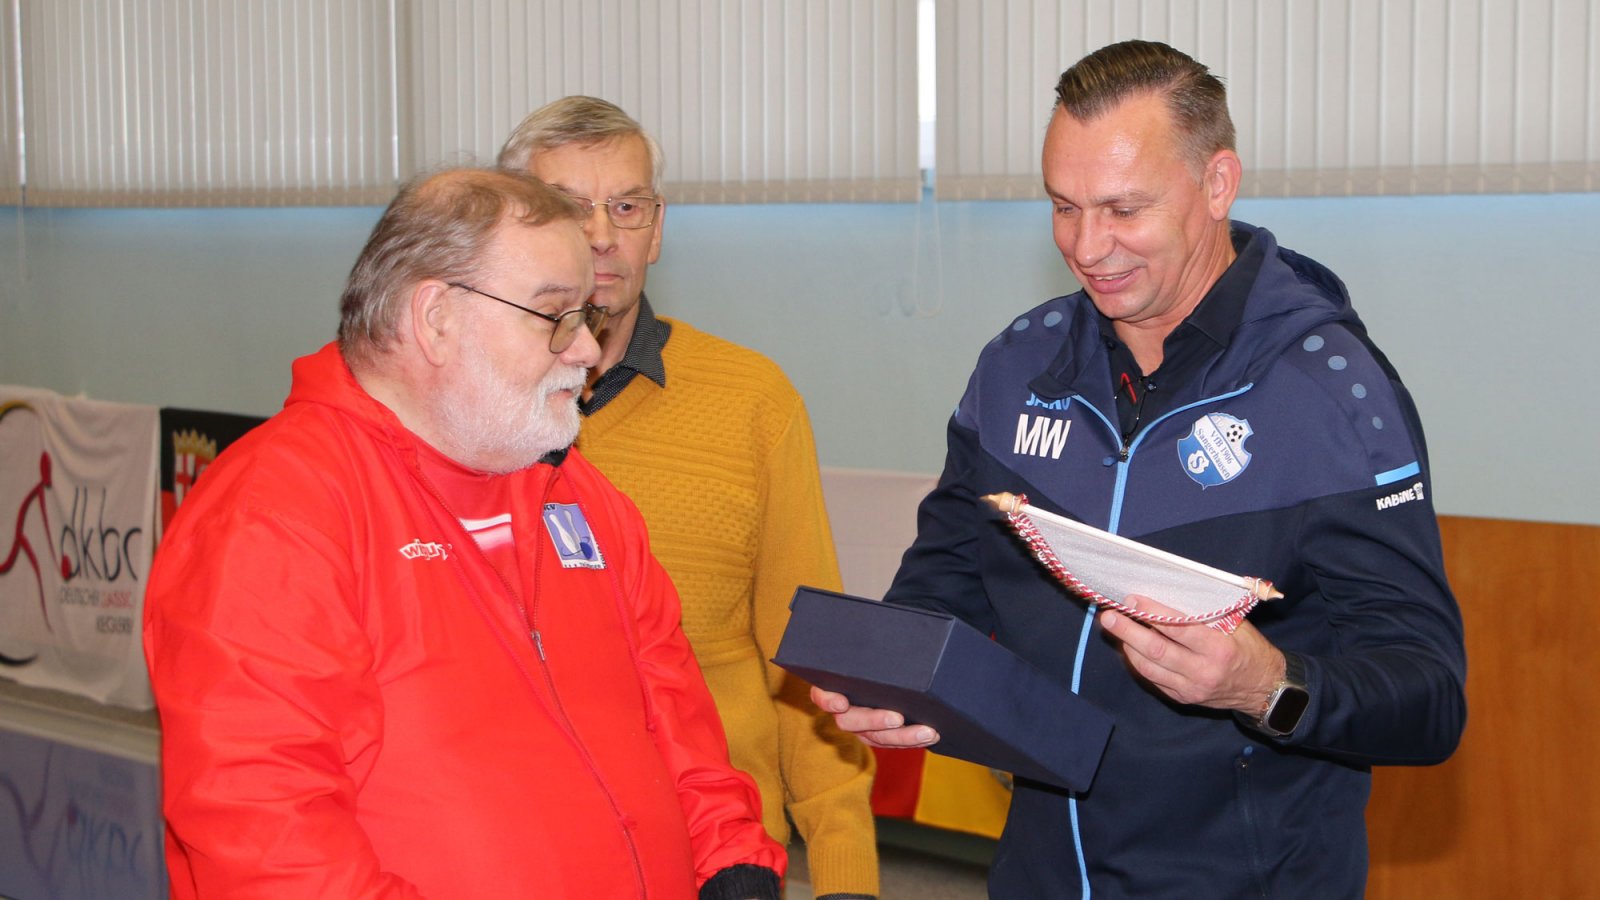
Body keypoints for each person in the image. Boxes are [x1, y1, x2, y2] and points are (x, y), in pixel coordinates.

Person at [814, 40, 1467, 898]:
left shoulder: (1331, 392)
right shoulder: (1017, 368)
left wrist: (1265, 685)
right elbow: (945, 586)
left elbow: (1427, 697)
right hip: (1041, 873)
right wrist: (893, 678)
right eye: (1063, 207)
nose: (1089, 247)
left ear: (1218, 184)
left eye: (1124, 209)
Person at [142, 167, 787, 899]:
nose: (585, 351)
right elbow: (269, 834)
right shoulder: (276, 514)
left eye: (588, 318)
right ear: (437, 318)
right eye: (555, 316)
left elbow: (674, 712)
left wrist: (730, 855)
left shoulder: (577, 495)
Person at [499, 97, 879, 899]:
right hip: (529, 853)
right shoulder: (463, 414)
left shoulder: (753, 401)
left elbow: (809, 650)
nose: (602, 234)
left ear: (657, 229)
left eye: (627, 206)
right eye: (569, 207)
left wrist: (846, 871)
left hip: (724, 862)